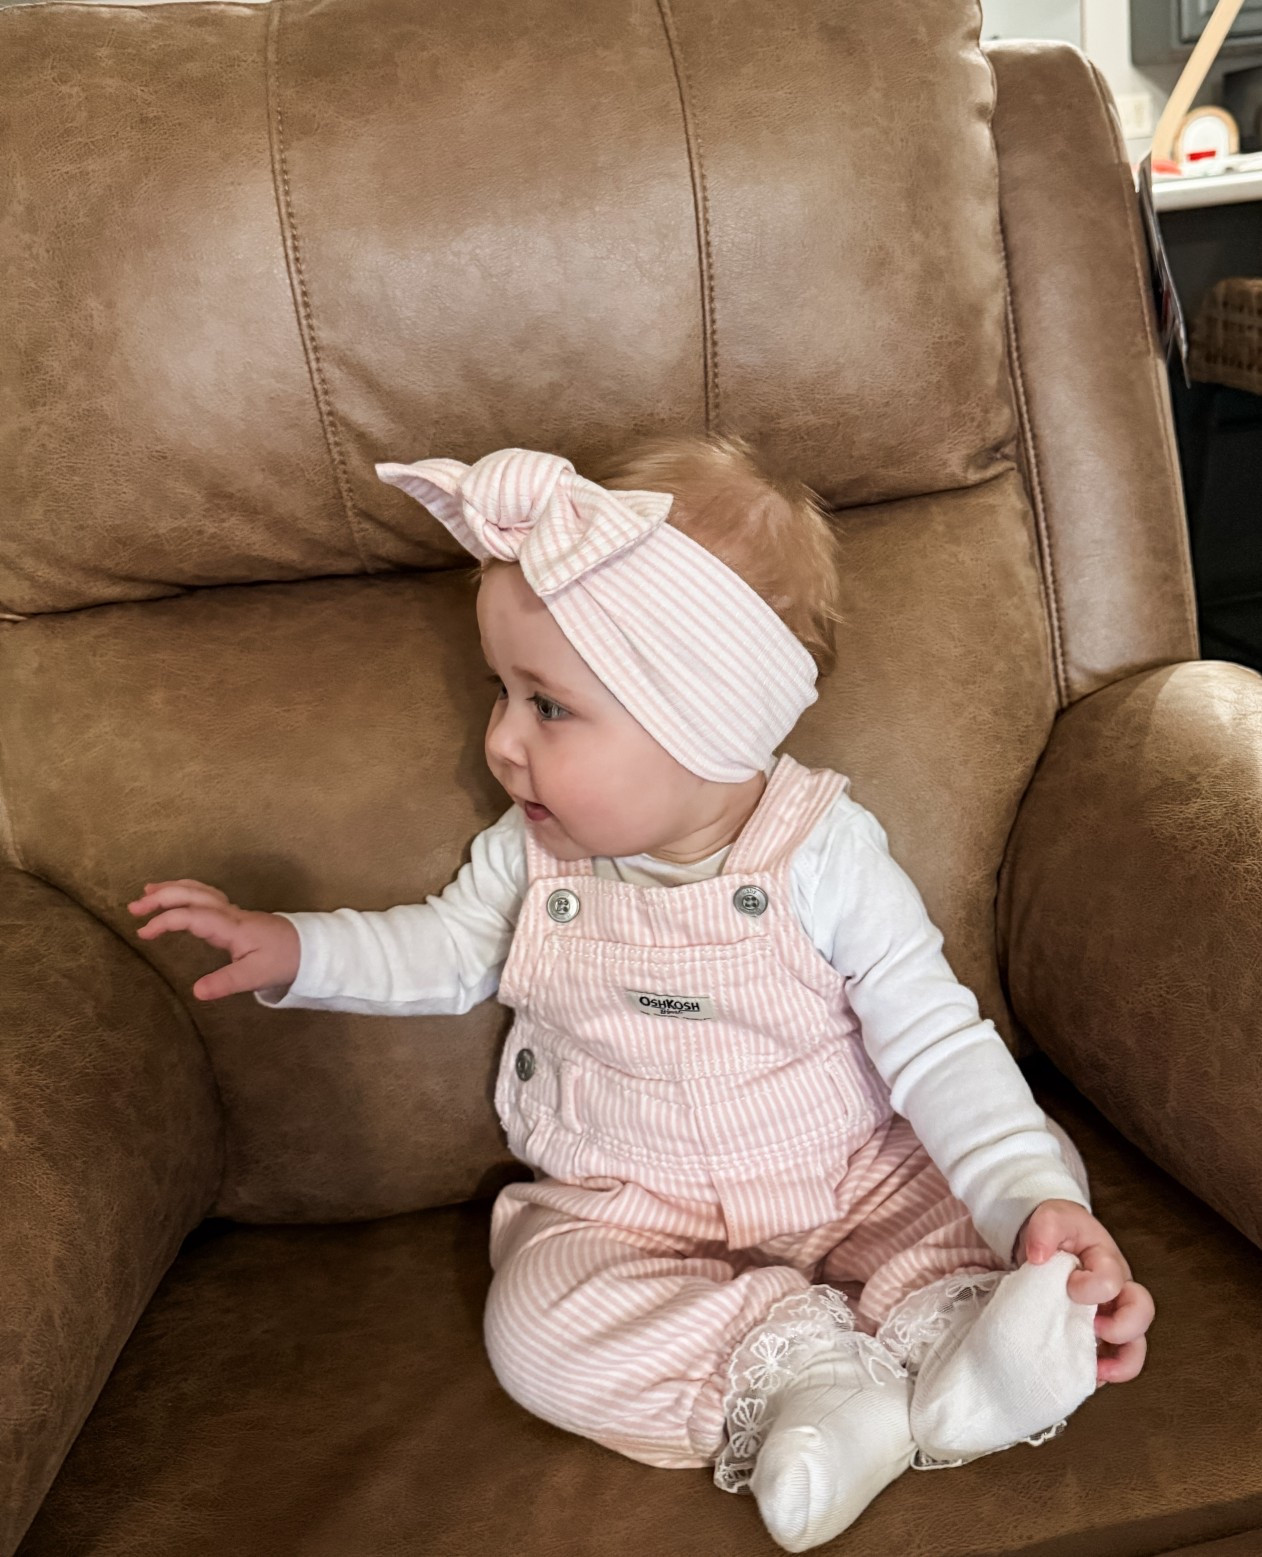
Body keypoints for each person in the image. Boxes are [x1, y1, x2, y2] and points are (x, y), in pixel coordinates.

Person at [127, 436, 1155, 1553]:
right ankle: (808, 1384)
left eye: (547, 707)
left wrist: (1027, 1201)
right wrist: (296, 949)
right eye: (500, 693)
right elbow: (445, 948)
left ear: (701, 724)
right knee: (533, 1325)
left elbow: (938, 1046)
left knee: (981, 1218)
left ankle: (988, 1352)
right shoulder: (529, 859)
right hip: (624, 1201)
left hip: (856, 1171)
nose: (502, 744)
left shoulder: (822, 854)